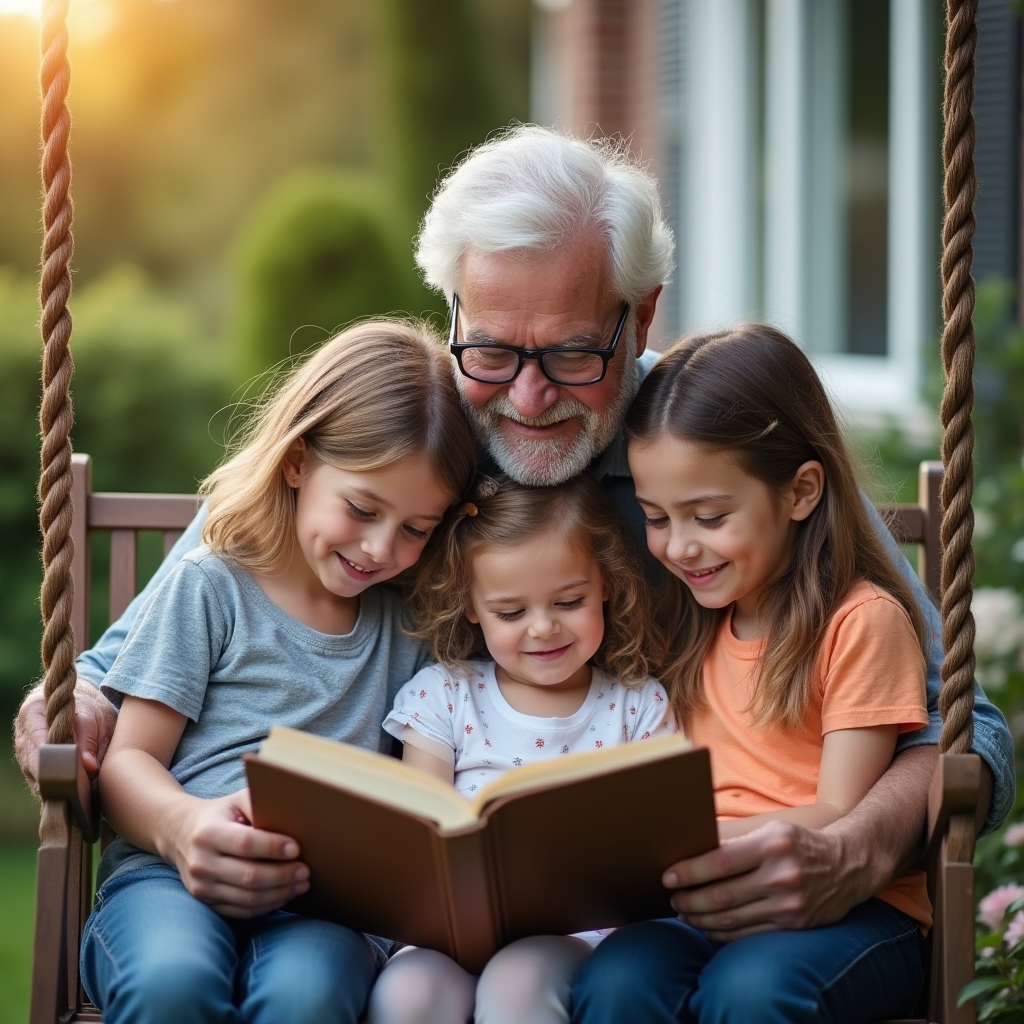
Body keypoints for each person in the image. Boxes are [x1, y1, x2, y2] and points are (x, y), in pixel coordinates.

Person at [16, 125, 1013, 951]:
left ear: (639, 315)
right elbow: (115, 672)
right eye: (490, 347)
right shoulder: (400, 433)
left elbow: (971, 733)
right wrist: (67, 707)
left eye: (573, 353)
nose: (528, 398)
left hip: (652, 933)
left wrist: (858, 845)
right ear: (452, 307)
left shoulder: (710, 448)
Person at [77, 321, 476, 1024]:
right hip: (172, 878)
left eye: (417, 528)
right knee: (172, 983)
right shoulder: (213, 586)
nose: (382, 547)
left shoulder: (410, 628)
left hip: (322, 905)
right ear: (297, 462)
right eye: (362, 508)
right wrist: (183, 827)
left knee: (310, 996)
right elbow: (128, 760)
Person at [571, 325, 931, 1023]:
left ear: (800, 492)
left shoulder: (860, 623)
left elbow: (837, 814)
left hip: (850, 910)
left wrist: (678, 842)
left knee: (751, 991)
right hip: (710, 897)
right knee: (616, 979)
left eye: (708, 516)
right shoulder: (694, 622)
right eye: (655, 517)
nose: (679, 546)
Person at [366, 474, 674, 1024]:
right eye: (511, 613)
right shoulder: (446, 695)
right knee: (407, 994)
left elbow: (656, 841)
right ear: (471, 607)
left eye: (570, 600)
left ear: (606, 582)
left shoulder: (637, 706)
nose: (543, 628)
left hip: (579, 932)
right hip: (453, 931)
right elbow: (425, 834)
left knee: (520, 983)